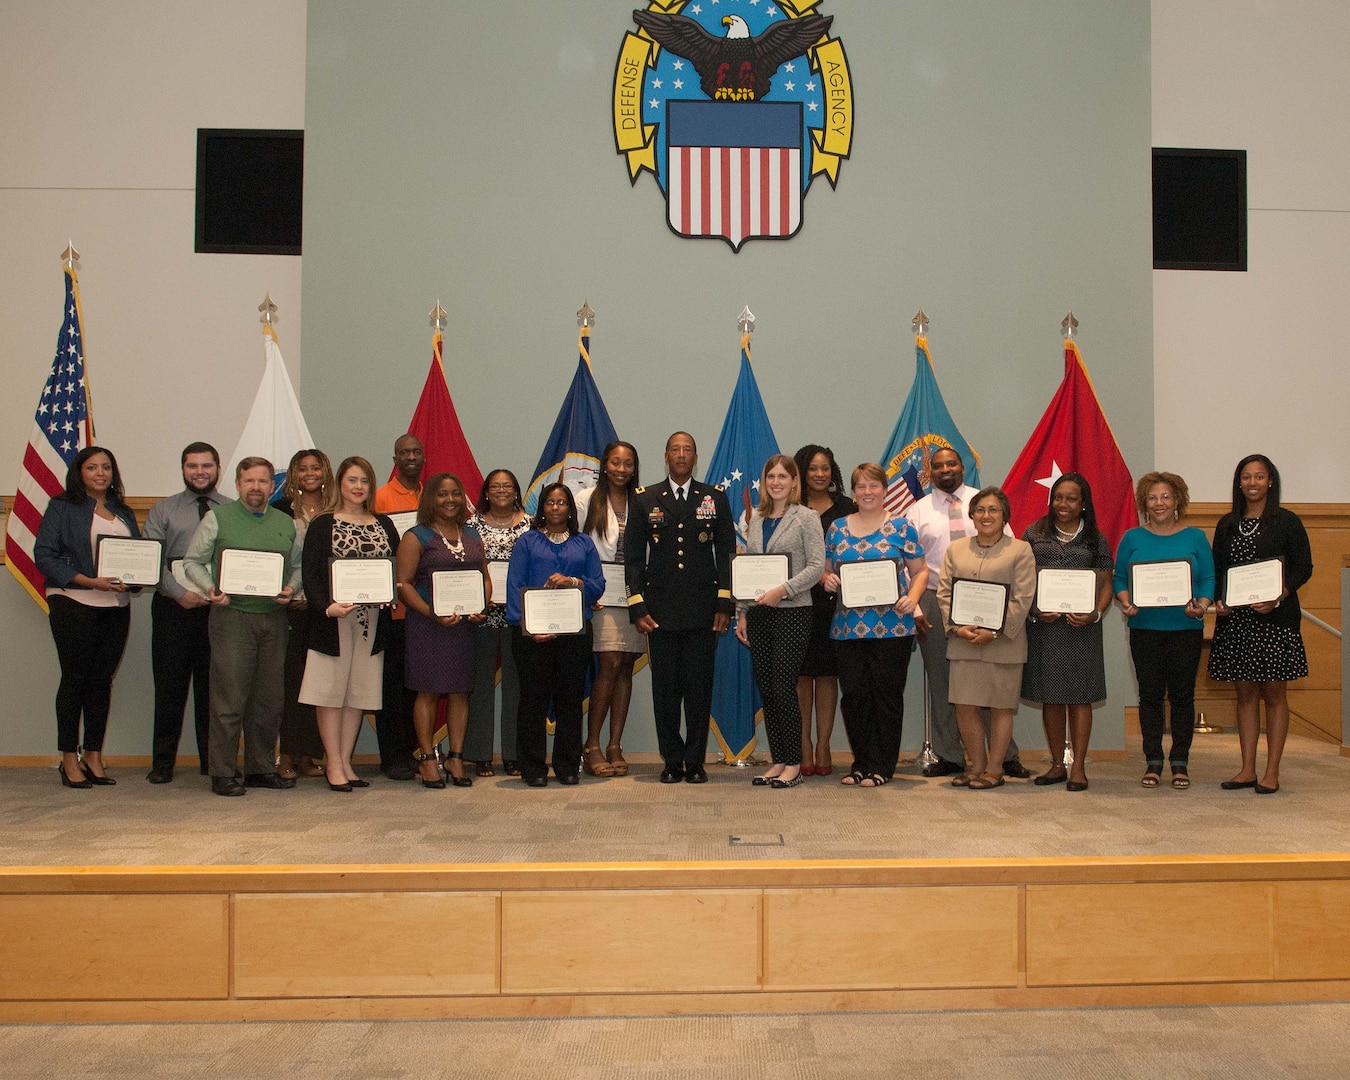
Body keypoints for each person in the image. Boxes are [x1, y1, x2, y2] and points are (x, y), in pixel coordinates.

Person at [906, 447, 1031, 780]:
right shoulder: (917, 511)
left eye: (952, 463)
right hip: (937, 600)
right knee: (947, 683)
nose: (946, 469)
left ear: (964, 466)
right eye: (938, 465)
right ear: (929, 473)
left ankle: (1003, 759)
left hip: (995, 606)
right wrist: (919, 608)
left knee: (994, 688)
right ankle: (950, 755)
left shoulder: (982, 501)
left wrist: (997, 624)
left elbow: (1014, 565)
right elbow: (908, 563)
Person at [182, 456, 303, 796]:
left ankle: (260, 768)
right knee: (229, 699)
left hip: (273, 618)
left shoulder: (285, 523)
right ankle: (222, 772)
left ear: (272, 485)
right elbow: (192, 561)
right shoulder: (217, 518)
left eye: (262, 481)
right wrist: (209, 588)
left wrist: (292, 589)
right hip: (231, 617)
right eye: (249, 481)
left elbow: (299, 566)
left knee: (269, 700)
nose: (256, 487)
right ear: (237, 485)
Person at [624, 431, 735, 784]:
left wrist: (724, 603)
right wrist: (637, 606)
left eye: (688, 449)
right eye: (676, 449)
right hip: (660, 612)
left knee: (700, 689)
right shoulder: (645, 498)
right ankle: (672, 760)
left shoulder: (714, 497)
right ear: (666, 456)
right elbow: (633, 559)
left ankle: (696, 760)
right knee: (666, 691)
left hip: (704, 610)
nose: (682, 455)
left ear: (695, 456)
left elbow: (727, 555)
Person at [34, 446, 140, 789]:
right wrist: (87, 580)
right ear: (80, 473)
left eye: (106, 467)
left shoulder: (121, 511)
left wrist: (137, 579)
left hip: (116, 606)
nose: (100, 473)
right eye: (92, 467)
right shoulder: (62, 507)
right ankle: (68, 757)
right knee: (75, 678)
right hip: (73, 600)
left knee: (101, 680)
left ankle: (93, 755)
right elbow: (45, 556)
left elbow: (138, 558)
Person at [1208, 454, 1312, 795]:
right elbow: (1218, 572)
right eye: (1246, 477)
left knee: (1274, 693)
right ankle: (1247, 769)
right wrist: (1218, 601)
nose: (1253, 483)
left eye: (1260, 477)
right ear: (1239, 483)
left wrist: (1279, 595)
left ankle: (1272, 772)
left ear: (1271, 481)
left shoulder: (1287, 521)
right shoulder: (1226, 524)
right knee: (1245, 694)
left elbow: (1303, 567)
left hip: (1275, 619)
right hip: (1237, 622)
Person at [819, 462, 928, 787]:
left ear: (884, 490)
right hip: (847, 628)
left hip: (893, 627)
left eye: (874, 486)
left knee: (886, 696)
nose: (867, 492)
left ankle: (881, 766)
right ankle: (861, 762)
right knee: (853, 696)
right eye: (861, 487)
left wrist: (914, 596)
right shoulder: (837, 528)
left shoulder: (902, 527)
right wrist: (827, 580)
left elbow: (920, 570)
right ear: (853, 492)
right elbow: (825, 570)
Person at [300, 456, 401, 792]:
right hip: (334, 621)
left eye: (365, 481)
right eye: (352, 480)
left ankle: (345, 760)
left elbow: (394, 569)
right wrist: (327, 607)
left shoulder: (384, 524)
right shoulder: (323, 524)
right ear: (340, 484)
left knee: (358, 693)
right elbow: (311, 575)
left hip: (372, 622)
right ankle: (332, 762)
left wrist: (391, 593)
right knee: (329, 693)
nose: (358, 487)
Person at [1115, 472, 1216, 789]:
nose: (1159, 503)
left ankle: (1180, 762)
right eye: (1152, 497)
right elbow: (1119, 578)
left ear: (1177, 501)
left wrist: (1201, 604)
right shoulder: (1132, 538)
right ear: (1144, 502)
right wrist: (1126, 601)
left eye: (1166, 497)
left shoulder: (1196, 537)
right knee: (1150, 697)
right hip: (1145, 628)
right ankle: (1153, 761)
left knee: (1183, 696)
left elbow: (1209, 579)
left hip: (1185, 628)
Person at [937, 487, 1037, 790]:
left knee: (1000, 708)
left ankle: (995, 769)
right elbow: (945, 594)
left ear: (1004, 515)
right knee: (965, 706)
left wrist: (994, 630)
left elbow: (1023, 598)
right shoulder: (956, 550)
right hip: (963, 641)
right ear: (971, 515)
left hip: (1004, 643)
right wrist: (957, 629)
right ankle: (976, 766)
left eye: (993, 510)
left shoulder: (1020, 550)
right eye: (980, 510)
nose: (986, 516)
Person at [506, 483, 605, 786]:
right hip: (534, 637)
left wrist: (573, 581)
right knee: (533, 701)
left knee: (570, 701)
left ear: (570, 509)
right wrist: (527, 628)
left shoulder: (584, 543)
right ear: (542, 508)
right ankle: (533, 767)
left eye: (562, 502)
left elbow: (598, 585)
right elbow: (514, 586)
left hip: (574, 635)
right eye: (550, 502)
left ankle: (566, 766)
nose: (556, 507)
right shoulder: (527, 542)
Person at [1021, 472, 1114, 792]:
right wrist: (1034, 609)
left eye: (1071, 498)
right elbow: (1023, 580)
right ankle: (1057, 764)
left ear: (1083, 503)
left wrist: (1095, 613)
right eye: (1058, 497)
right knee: (1051, 696)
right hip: (1045, 628)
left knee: (1080, 697)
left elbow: (1105, 584)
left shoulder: (1095, 538)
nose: (1063, 503)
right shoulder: (1033, 533)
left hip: (1082, 628)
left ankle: (1078, 767)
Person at [735, 455, 825, 788]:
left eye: (783, 476)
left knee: (784, 687)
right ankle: (779, 759)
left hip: (792, 611)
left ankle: (794, 763)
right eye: (770, 476)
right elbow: (749, 571)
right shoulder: (756, 520)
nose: (776, 482)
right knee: (768, 690)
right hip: (759, 615)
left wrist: (782, 590)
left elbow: (816, 567)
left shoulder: (807, 518)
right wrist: (742, 612)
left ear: (794, 481)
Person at [142, 441, 229, 783]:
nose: (200, 472)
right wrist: (179, 594)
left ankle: (213, 763)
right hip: (172, 610)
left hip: (217, 610)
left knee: (214, 689)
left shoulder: (231, 510)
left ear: (217, 469)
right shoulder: (164, 510)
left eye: (206, 465)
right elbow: (151, 562)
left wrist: (214, 593)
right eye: (192, 466)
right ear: (183, 470)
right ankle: (162, 764)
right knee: (170, 688)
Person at [396, 472, 486, 788]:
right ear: (430, 499)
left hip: (463, 627)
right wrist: (432, 613)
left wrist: (481, 605)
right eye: (442, 494)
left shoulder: (472, 535)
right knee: (428, 691)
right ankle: (427, 757)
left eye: (455, 494)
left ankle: (456, 757)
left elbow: (483, 578)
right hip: (427, 626)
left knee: (461, 691)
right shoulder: (415, 536)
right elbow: (404, 584)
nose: (450, 500)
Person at [575, 441, 646, 778]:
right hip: (599, 595)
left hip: (633, 594)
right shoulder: (585, 499)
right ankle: (591, 745)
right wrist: (583, 587)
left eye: (628, 463)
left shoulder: (644, 501)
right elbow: (573, 544)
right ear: (605, 465)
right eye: (616, 462)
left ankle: (615, 744)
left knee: (627, 665)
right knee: (610, 662)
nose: (621, 469)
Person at [792, 444, 854, 776]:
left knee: (829, 676)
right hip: (799, 603)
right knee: (802, 677)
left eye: (825, 468)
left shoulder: (848, 508)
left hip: (837, 605)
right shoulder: (790, 508)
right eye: (813, 468)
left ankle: (824, 745)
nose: (819, 474)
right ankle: (803, 744)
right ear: (802, 472)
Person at [465, 468, 531, 777]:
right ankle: (479, 753)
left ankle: (514, 754)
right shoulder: (470, 526)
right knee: (480, 686)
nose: (502, 490)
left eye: (507, 485)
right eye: (495, 486)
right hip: (481, 616)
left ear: (516, 491)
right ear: (486, 492)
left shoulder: (531, 527)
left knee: (517, 686)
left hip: (519, 617)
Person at [273, 448, 332, 781]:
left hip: (324, 608)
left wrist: (315, 597)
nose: (310, 474)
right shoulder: (280, 510)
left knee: (318, 683)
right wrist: (292, 593)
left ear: (325, 473)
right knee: (290, 682)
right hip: (288, 607)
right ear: (293, 475)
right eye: (303, 469)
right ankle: (286, 754)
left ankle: (309, 755)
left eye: (316, 468)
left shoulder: (336, 512)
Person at [372, 433, 425, 780]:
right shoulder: (380, 498)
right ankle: (392, 757)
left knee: (415, 686)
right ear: (394, 459)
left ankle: (413, 751)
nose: (410, 457)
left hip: (423, 609)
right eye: (404, 452)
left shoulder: (432, 497)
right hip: (392, 609)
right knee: (390, 687)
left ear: (423, 457)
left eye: (416, 452)